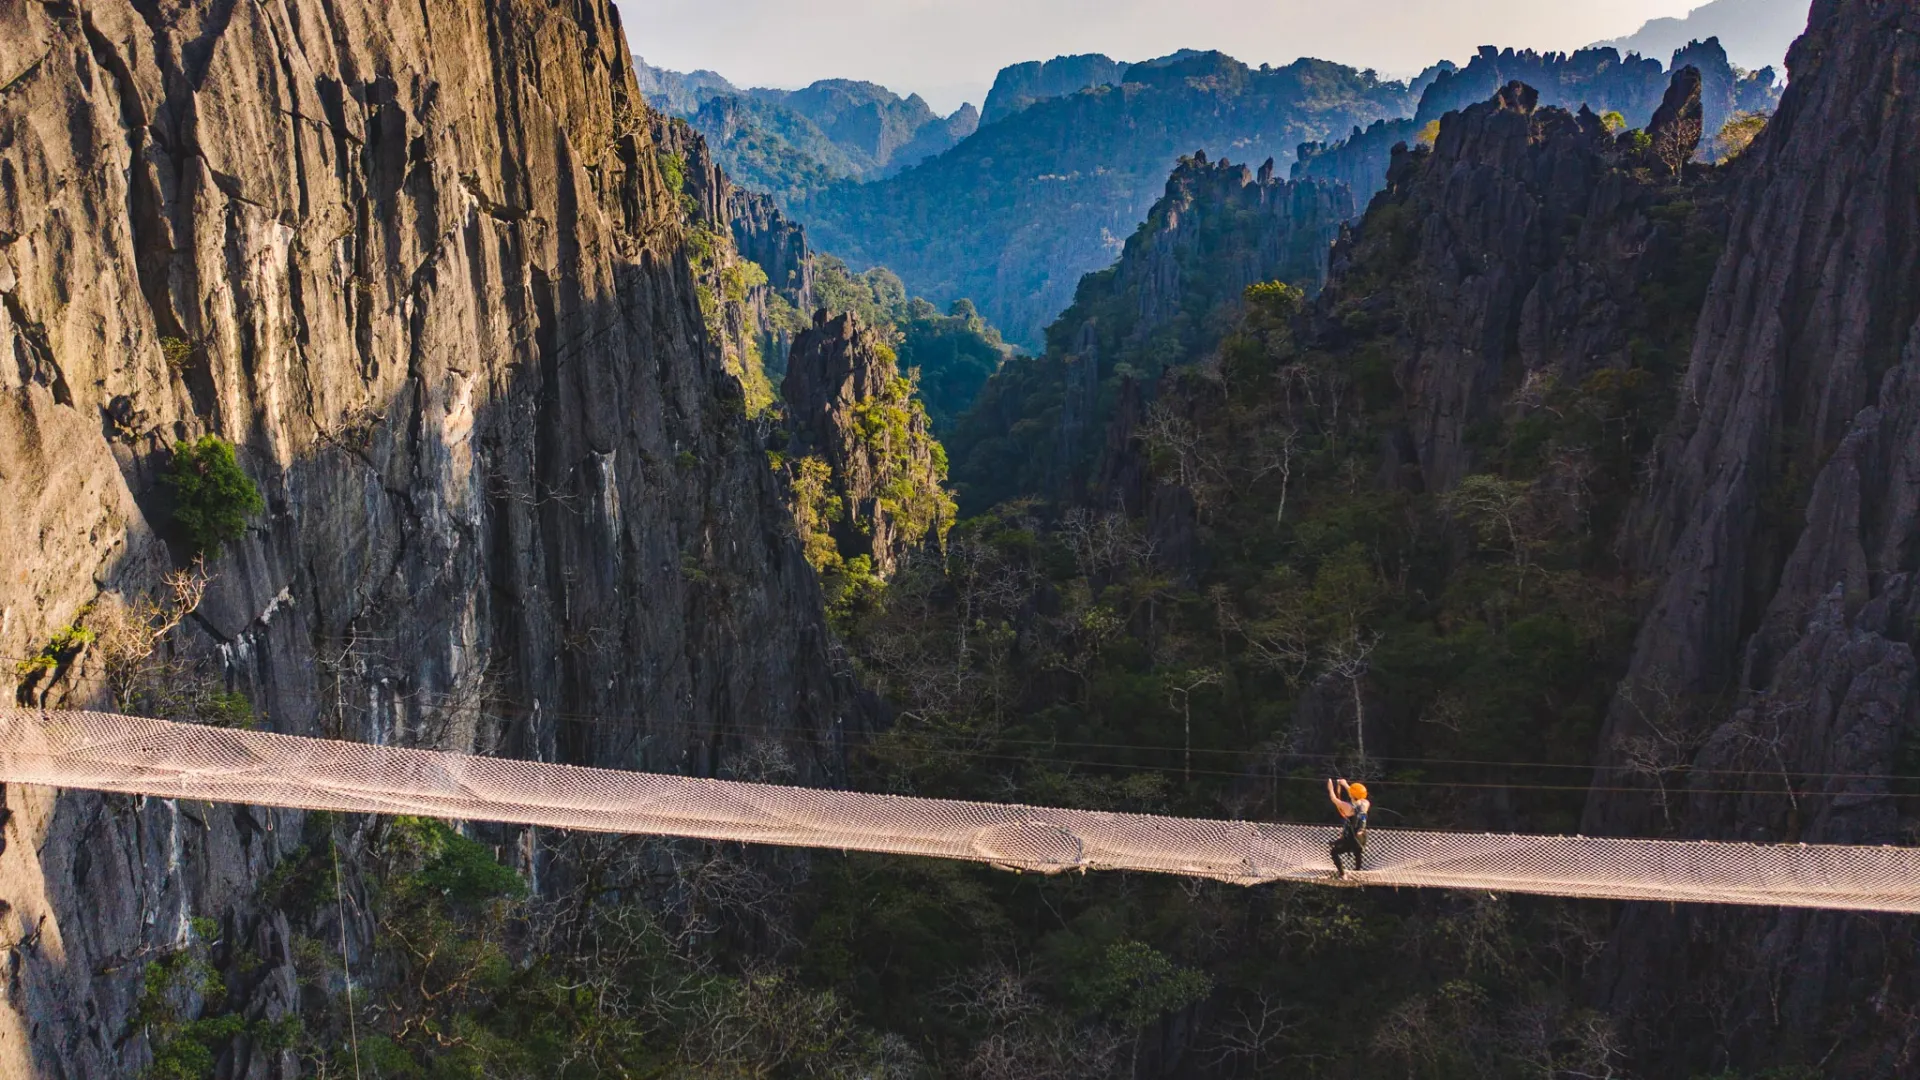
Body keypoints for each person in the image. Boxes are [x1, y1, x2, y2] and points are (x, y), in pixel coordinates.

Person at [1327, 777, 1370, 877]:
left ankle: (1342, 874)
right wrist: (1345, 784)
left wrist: (1330, 788)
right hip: (1362, 838)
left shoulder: (1347, 807)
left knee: (1334, 852)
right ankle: (1358, 871)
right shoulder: (1366, 803)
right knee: (1357, 852)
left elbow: (1334, 799)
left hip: (1351, 839)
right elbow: (1356, 796)